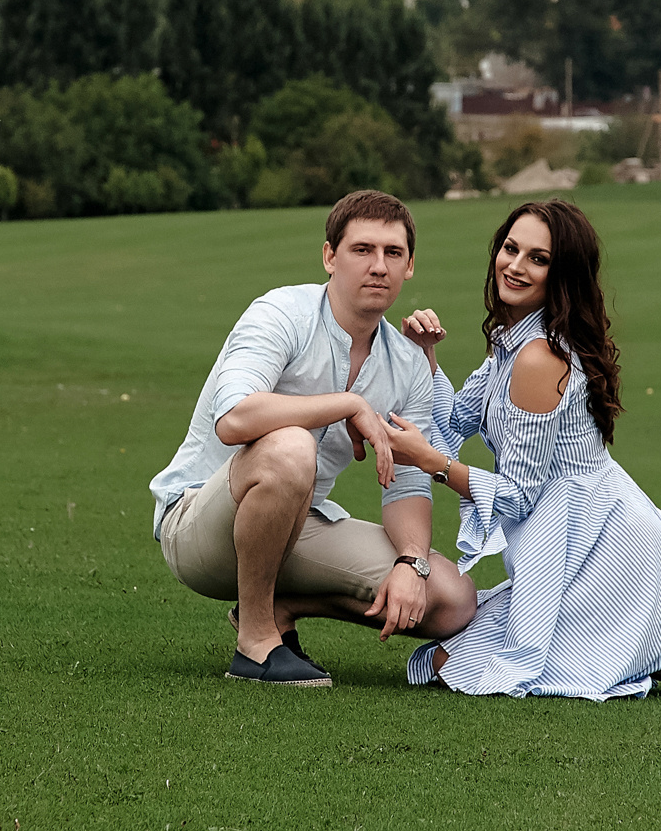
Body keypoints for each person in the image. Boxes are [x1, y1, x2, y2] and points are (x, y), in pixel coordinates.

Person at [149, 190, 479, 686]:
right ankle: (256, 644)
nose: (379, 266)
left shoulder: (409, 362)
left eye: (393, 253)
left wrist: (412, 562)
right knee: (290, 446)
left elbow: (408, 483)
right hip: (199, 527)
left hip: (293, 529)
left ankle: (278, 607)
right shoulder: (282, 312)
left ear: (409, 266)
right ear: (330, 256)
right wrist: (348, 403)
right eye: (362, 249)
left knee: (452, 598)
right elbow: (234, 418)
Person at [380, 199, 661, 699]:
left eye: (538, 258)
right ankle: (650, 641)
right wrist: (427, 357)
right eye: (510, 249)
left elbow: (517, 496)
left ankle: (645, 640)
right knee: (455, 645)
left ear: (562, 274)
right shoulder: (513, 337)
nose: (515, 265)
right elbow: (455, 418)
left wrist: (431, 463)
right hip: (568, 537)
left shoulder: (539, 358)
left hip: (604, 545)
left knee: (451, 665)